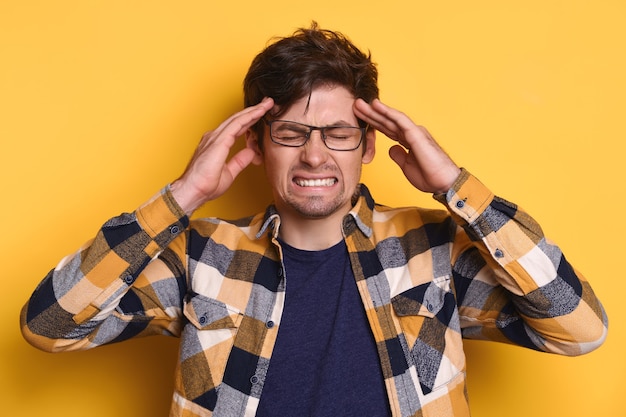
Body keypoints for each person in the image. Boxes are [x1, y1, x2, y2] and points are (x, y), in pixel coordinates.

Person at [21, 23, 607, 417]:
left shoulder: (438, 247)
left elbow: (580, 329)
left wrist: (457, 187)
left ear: (369, 145)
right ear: (258, 142)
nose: (315, 156)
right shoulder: (200, 256)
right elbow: (48, 326)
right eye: (292, 134)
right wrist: (180, 198)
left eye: (338, 134)